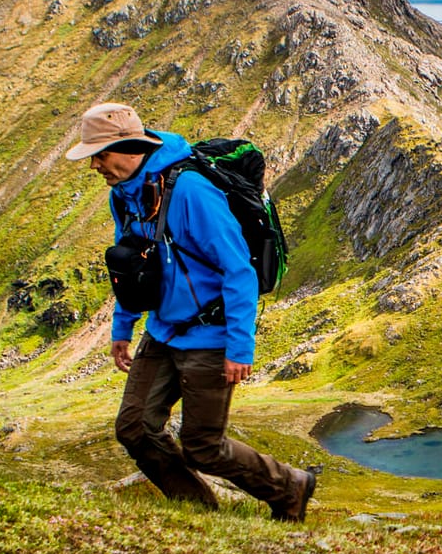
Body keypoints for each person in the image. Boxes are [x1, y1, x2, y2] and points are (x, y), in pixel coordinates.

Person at [65, 101, 316, 521]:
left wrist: (240, 347)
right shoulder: (124, 197)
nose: (95, 166)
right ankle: (198, 515)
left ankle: (289, 486)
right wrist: (121, 329)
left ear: (129, 147)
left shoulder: (191, 191)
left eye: (99, 154)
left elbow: (238, 269)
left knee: (203, 446)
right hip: (162, 332)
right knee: (134, 429)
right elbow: (127, 264)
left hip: (211, 336)